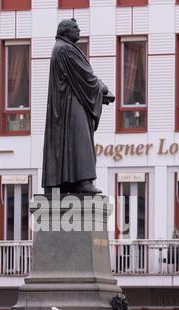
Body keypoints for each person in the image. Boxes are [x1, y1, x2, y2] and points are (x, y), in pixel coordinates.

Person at [42, 18, 111, 195]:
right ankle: (83, 181)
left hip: (69, 102)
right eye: (75, 28)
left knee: (72, 142)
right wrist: (102, 88)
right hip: (71, 103)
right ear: (66, 32)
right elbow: (85, 75)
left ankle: (70, 182)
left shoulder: (62, 48)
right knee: (81, 140)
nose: (79, 30)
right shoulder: (65, 49)